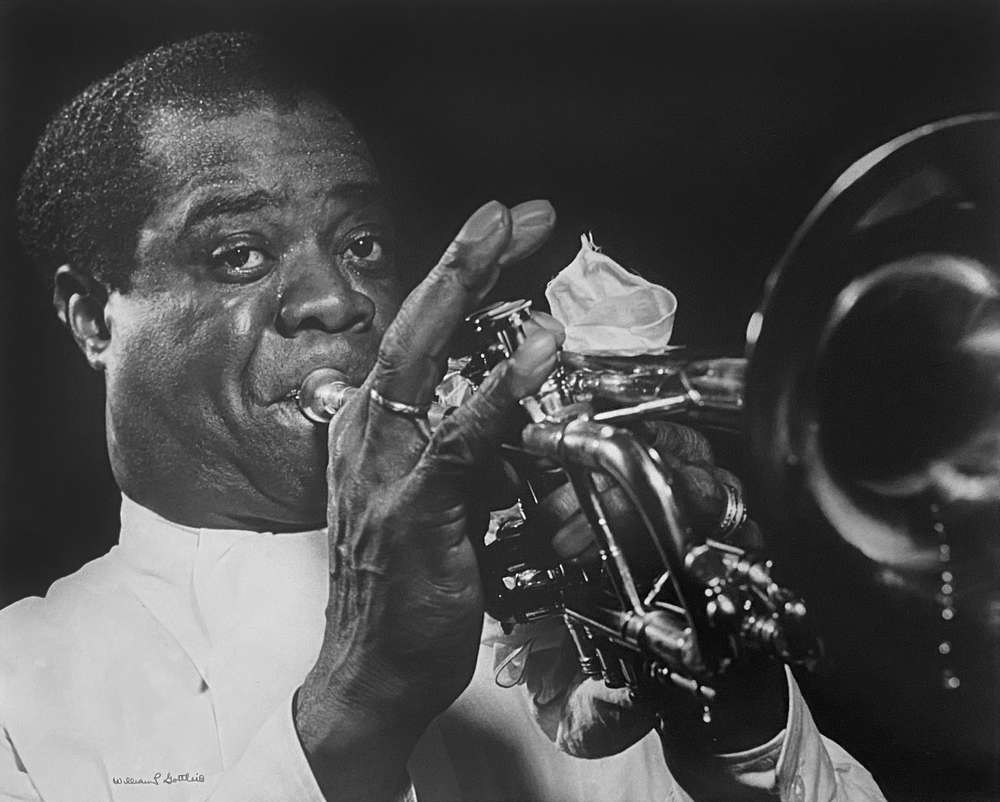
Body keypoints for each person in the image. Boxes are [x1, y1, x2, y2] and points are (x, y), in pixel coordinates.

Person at [3, 31, 884, 801]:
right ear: (91, 315)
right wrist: (357, 705)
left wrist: (739, 729)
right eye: (237, 253)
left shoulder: (575, 595)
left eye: (363, 244)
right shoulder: (21, 686)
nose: (338, 299)